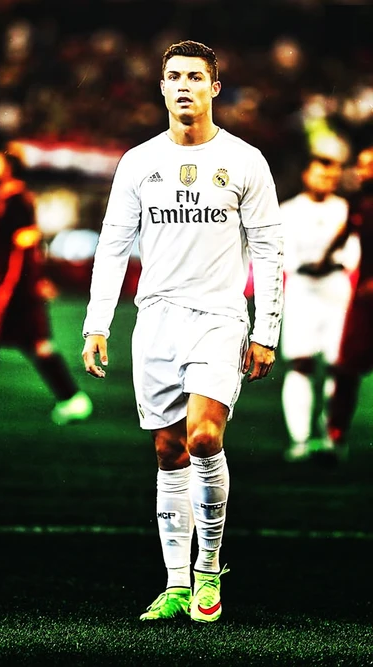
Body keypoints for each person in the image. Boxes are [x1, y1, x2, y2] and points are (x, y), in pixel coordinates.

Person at [82, 40, 283, 623]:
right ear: (162, 87)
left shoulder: (246, 161)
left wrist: (266, 327)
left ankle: (208, 568)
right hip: (157, 321)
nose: (184, 86)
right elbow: (114, 246)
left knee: (202, 437)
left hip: (220, 317)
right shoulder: (138, 162)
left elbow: (269, 250)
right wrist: (98, 325)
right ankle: (174, 581)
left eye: (196, 77)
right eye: (174, 77)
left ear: (215, 87)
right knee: (168, 451)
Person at [0, 150, 93, 425]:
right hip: (17, 287)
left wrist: (7, 290)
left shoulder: (15, 201)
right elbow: (2, 249)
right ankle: (72, 399)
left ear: (8, 167)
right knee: (37, 345)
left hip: (14, 288)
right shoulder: (4, 198)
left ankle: (72, 399)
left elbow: (21, 252)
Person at [279, 154, 360, 462]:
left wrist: (332, 264)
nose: (326, 182)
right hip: (301, 291)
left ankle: (331, 436)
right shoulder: (288, 211)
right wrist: (305, 265)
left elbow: (354, 252)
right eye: (320, 175)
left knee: (337, 367)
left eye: (331, 177)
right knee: (301, 363)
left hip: (336, 293)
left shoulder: (344, 210)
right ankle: (299, 440)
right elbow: (280, 251)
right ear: (306, 175)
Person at [317, 146, 373, 461]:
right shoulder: (360, 201)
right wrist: (324, 259)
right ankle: (335, 435)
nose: (361, 170)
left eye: (368, 165)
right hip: (364, 302)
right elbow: (345, 232)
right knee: (347, 367)